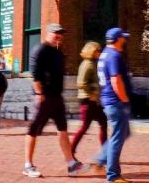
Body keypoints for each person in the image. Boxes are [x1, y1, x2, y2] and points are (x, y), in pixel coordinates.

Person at [23, 23, 87, 178]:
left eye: (60, 33)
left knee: (62, 129)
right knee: (34, 130)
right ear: (48, 33)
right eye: (56, 32)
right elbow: (36, 75)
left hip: (57, 97)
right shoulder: (39, 51)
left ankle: (71, 164)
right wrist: (39, 95)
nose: (59, 35)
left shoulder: (57, 53)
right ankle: (28, 165)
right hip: (44, 97)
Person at [92, 28, 133, 183]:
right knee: (117, 137)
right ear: (118, 39)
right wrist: (124, 99)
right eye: (123, 38)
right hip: (115, 101)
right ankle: (113, 175)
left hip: (108, 100)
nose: (125, 41)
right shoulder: (115, 55)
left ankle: (101, 158)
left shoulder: (104, 54)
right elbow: (116, 80)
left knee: (124, 133)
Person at [71, 41, 108, 160]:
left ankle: (105, 153)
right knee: (84, 127)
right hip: (88, 101)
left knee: (103, 123)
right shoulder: (87, 64)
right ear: (92, 51)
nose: (100, 53)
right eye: (98, 50)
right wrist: (91, 93)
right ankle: (71, 151)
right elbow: (81, 83)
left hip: (94, 102)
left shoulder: (92, 63)